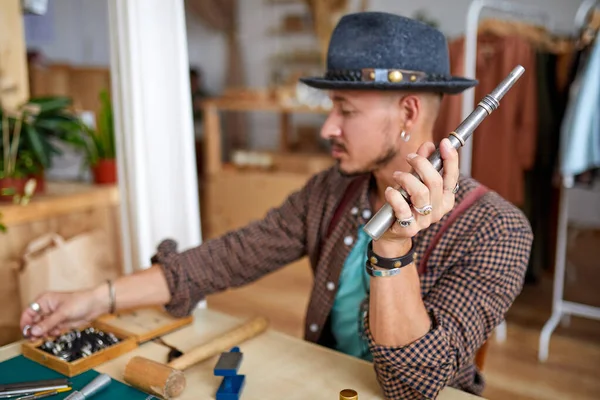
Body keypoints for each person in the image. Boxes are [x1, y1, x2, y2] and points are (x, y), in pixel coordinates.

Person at [20, 12, 533, 399]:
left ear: (409, 111)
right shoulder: (330, 191)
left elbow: (412, 385)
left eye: (345, 110)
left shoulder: (497, 231)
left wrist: (394, 248)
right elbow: (227, 257)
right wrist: (96, 297)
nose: (328, 128)